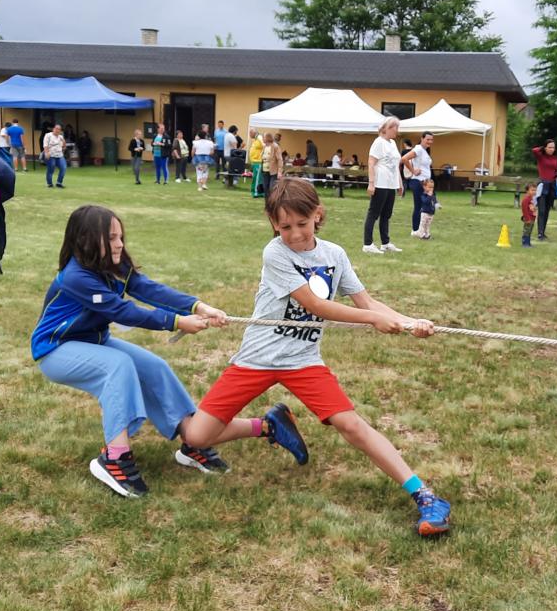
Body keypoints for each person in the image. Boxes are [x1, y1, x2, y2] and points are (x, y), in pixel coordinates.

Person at [180, 178, 452, 536]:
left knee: (351, 425)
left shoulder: (334, 255)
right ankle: (269, 426)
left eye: (302, 223)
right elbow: (315, 305)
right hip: (256, 360)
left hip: (303, 361)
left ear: (317, 215)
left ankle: (425, 495)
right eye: (285, 226)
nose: (294, 234)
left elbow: (367, 302)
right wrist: (372, 320)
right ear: (273, 223)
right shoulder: (275, 253)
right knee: (197, 436)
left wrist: (409, 322)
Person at [31, 205, 233, 497]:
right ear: (86, 239)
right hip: (55, 349)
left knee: (155, 367)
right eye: (112, 237)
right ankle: (114, 458)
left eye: (120, 237)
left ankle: (193, 443)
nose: (119, 244)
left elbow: (149, 289)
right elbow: (122, 311)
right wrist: (177, 322)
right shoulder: (76, 276)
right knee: (118, 365)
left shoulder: (113, 266)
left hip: (95, 341)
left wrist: (198, 306)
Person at [363, 116, 403, 254]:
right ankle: (368, 244)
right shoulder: (378, 142)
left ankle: (385, 243)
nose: (397, 130)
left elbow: (396, 165)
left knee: (386, 214)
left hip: (391, 184)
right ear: (387, 128)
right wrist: (371, 183)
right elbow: (371, 163)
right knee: (374, 213)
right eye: (395, 127)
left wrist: (400, 183)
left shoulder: (392, 143)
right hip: (380, 183)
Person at [404, 132, 434, 236]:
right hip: (418, 181)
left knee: (424, 207)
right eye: (428, 139)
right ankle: (415, 230)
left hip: (425, 183)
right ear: (422, 139)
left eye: (431, 140)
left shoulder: (424, 151)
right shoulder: (418, 149)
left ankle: (422, 230)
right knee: (419, 206)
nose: (430, 141)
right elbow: (404, 159)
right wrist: (413, 170)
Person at [530, 140, 557, 241]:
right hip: (542, 185)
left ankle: (543, 231)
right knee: (541, 210)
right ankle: (539, 233)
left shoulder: (555, 158)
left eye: (553, 147)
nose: (552, 149)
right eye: (550, 147)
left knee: (547, 210)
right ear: (545, 147)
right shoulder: (541, 156)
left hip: (552, 185)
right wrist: (542, 148)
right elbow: (534, 150)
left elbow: (555, 170)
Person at [43, 124, 67, 188]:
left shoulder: (61, 137)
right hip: (51, 155)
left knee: (63, 168)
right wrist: (46, 153)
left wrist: (64, 142)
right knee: (51, 169)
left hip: (59, 155)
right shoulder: (48, 135)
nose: (57, 130)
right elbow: (45, 145)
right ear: (53, 129)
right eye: (56, 129)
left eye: (59, 129)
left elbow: (64, 146)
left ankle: (59, 182)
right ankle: (49, 183)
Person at [260, 131, 282, 197]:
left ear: (268, 138)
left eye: (263, 137)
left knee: (272, 188)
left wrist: (279, 171)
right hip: (265, 170)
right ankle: (267, 202)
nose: (262, 138)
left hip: (273, 171)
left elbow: (279, 159)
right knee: (265, 187)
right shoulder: (264, 146)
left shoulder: (275, 146)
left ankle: (273, 201)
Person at [519, 183, 537, 248]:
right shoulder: (526, 198)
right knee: (526, 231)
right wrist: (527, 218)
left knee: (529, 231)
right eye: (532, 190)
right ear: (527, 191)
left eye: (535, 190)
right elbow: (524, 209)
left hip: (532, 218)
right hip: (528, 218)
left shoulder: (531, 198)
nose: (534, 192)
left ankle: (528, 243)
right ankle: (525, 243)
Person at [248, 128, 265, 197]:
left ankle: (256, 192)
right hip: (255, 162)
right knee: (256, 178)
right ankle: (256, 191)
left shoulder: (259, 137)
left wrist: (262, 155)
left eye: (250, 133)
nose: (249, 134)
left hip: (258, 162)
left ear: (254, 133)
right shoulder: (255, 140)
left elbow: (264, 145)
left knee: (257, 178)